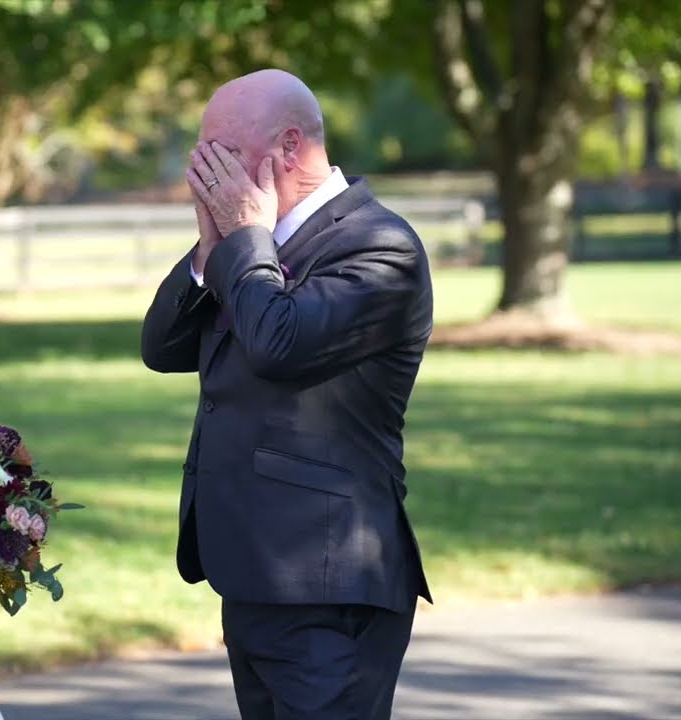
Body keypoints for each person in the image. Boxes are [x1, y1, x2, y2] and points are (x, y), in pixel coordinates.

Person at [140, 69, 434, 720]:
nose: (205, 173)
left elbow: (279, 343)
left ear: (290, 147)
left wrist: (245, 238)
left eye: (222, 153)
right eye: (201, 156)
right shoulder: (246, 246)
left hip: (328, 584)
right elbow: (161, 349)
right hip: (251, 570)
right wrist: (210, 247)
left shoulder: (380, 247)